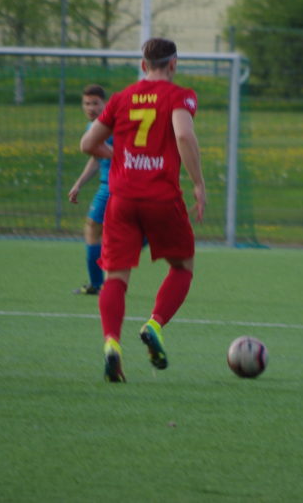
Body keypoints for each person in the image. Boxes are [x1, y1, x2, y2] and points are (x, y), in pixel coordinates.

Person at [81, 37, 206, 383]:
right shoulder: (180, 95)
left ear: (142, 65)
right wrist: (198, 183)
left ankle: (111, 343)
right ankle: (154, 324)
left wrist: (120, 158)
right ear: (174, 64)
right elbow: (184, 135)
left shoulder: (121, 98)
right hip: (162, 198)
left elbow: (88, 143)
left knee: (115, 276)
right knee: (182, 266)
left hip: (122, 199)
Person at [68, 84, 111, 295]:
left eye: (95, 103)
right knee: (96, 228)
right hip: (108, 185)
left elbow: (120, 152)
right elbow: (97, 157)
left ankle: (97, 283)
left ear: (105, 104)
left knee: (94, 228)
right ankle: (98, 283)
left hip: (115, 186)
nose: (91, 108)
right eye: (87, 103)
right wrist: (79, 183)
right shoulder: (93, 126)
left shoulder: (110, 125)